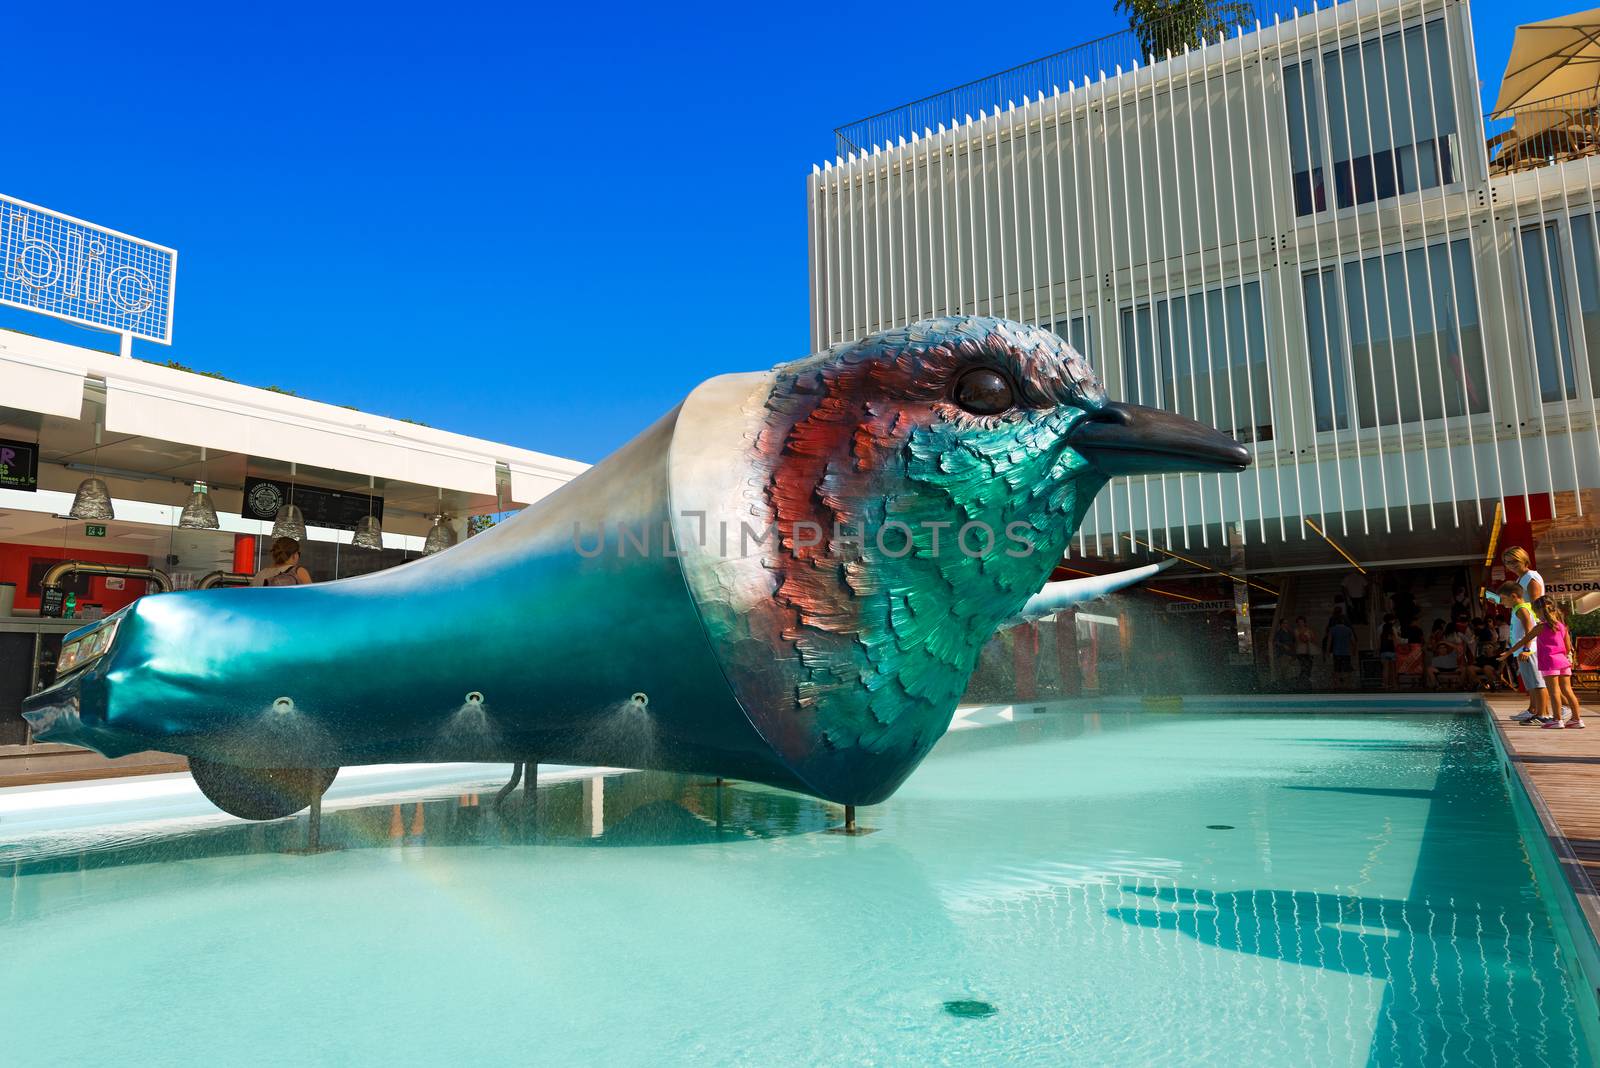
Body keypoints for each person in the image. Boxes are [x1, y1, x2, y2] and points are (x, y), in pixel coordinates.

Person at [1498, 582, 1549, 724]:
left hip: (1529, 651)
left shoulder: (1521, 609)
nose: (1501, 602)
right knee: (1532, 683)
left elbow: (1530, 629)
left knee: (1538, 683)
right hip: (1523, 650)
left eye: (1503, 599)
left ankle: (1543, 714)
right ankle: (1535, 710)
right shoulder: (1519, 608)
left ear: (1513, 596)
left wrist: (1526, 649)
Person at [1537, 599, 1584, 730]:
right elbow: (1568, 647)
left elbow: (1525, 640)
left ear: (1539, 611)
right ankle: (1577, 719)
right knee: (1568, 691)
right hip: (1563, 661)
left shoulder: (1540, 627)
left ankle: (1557, 720)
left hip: (1549, 662)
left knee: (1554, 692)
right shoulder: (1562, 626)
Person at [1325, 611, 1356, 689]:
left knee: (1337, 669)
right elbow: (1353, 642)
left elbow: (1329, 642)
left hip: (1337, 652)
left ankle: (1337, 685)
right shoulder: (1348, 629)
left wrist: (1327, 652)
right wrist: (1354, 651)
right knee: (1347, 670)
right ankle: (1347, 685)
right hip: (1346, 652)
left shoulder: (1333, 629)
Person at [1272, 616, 1296, 685]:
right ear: (1281, 624)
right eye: (1284, 623)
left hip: (1290, 653)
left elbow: (1293, 641)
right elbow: (1276, 642)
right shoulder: (1279, 633)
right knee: (1284, 670)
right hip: (1283, 654)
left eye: (1287, 623)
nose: (1286, 624)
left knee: (1290, 669)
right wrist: (1283, 645)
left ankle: (1289, 684)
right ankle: (1284, 684)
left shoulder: (1290, 632)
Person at [1378, 613, 1400, 689]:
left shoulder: (1380, 628)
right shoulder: (1393, 628)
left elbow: (1379, 640)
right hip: (1391, 650)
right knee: (1393, 669)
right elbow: (1396, 640)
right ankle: (1394, 684)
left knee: (1385, 669)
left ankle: (1385, 684)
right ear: (1391, 620)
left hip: (1383, 650)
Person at [1294, 615, 1315, 685]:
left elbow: (1313, 639)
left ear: (1304, 622)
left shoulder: (1309, 630)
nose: (1300, 623)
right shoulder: (1296, 630)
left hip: (1309, 650)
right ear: (1297, 623)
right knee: (1304, 666)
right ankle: (1301, 679)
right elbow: (1297, 640)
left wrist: (1309, 640)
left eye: (1302, 622)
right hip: (1301, 651)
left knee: (1309, 665)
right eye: (1299, 622)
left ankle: (1307, 678)